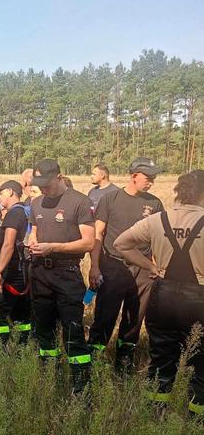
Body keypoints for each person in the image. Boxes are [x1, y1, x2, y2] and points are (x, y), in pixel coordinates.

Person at [114, 170, 204, 416]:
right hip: (198, 300)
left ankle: (155, 415)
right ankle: (196, 425)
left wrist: (151, 267)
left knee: (161, 360)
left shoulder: (157, 220)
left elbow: (120, 244)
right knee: (201, 365)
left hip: (162, 296)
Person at [88, 157, 163, 369]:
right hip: (114, 265)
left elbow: (159, 238)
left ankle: (124, 360)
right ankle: (93, 360)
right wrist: (94, 266)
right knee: (105, 315)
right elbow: (98, 234)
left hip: (143, 269)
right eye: (148, 178)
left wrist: (156, 268)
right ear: (134, 176)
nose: (152, 182)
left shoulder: (155, 203)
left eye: (154, 178)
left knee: (135, 317)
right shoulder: (110, 199)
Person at [27, 159, 94, 393]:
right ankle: (49, 375)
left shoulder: (80, 202)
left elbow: (88, 242)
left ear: (58, 176)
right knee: (43, 327)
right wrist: (33, 243)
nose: (43, 188)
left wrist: (53, 247)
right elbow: (34, 233)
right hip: (39, 272)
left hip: (67, 273)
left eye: (46, 183)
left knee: (72, 328)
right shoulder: (35, 203)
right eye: (39, 184)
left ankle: (80, 384)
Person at [0, 180, 32, 344]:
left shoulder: (14, 213)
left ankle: (1, 347)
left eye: (0, 194)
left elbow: (8, 245)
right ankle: (23, 345)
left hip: (13, 270)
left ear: (10, 191)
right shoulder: (26, 212)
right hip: (24, 271)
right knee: (21, 311)